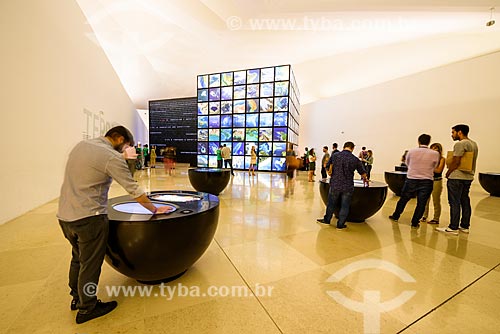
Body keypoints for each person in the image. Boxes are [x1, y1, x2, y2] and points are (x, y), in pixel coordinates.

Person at [57, 126, 172, 324]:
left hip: (65, 216)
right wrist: (153, 209)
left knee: (78, 258)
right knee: (90, 264)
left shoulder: (81, 145)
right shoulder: (110, 155)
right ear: (119, 138)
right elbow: (132, 188)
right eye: (126, 145)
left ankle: (76, 297)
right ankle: (88, 308)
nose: (125, 150)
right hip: (89, 217)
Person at [389, 134, 439, 229]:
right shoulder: (435, 154)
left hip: (412, 178)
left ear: (418, 141)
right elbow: (435, 166)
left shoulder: (411, 151)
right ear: (429, 142)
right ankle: (415, 222)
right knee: (421, 203)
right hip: (427, 180)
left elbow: (407, 163)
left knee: (403, 199)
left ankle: (396, 216)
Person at [436, 124, 478, 235]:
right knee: (465, 200)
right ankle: (464, 226)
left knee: (454, 201)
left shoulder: (460, 144)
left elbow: (456, 161)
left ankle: (453, 227)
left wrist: (448, 172)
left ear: (459, 132)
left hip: (457, 177)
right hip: (468, 177)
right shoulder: (474, 144)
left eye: (453, 132)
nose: (452, 135)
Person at [317, 142, 368, 230]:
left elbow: (327, 165)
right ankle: (340, 224)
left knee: (331, 203)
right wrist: (365, 179)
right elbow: (362, 172)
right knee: (345, 205)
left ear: (344, 147)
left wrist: (330, 172)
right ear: (352, 148)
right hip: (348, 186)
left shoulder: (335, 155)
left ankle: (327, 220)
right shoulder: (355, 159)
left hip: (335, 184)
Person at [421, 143, 445, 224]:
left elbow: (439, 170)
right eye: (432, 148)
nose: (434, 150)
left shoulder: (442, 159)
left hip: (437, 181)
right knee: (425, 199)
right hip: (428, 180)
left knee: (436, 200)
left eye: (436, 149)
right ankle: (424, 216)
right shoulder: (428, 158)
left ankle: (436, 218)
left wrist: (429, 167)